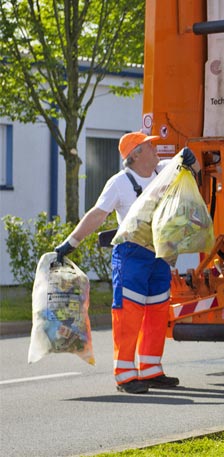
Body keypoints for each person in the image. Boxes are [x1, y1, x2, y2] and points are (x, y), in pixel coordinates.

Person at [54, 132, 200, 394]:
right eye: (149, 145)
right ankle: (125, 375)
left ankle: (151, 370)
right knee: (129, 313)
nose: (155, 148)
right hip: (131, 255)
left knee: (157, 312)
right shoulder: (120, 183)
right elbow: (98, 214)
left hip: (159, 254)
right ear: (134, 155)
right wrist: (71, 243)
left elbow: (196, 170)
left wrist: (192, 160)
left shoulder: (165, 169)